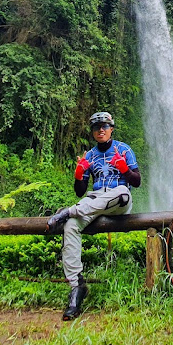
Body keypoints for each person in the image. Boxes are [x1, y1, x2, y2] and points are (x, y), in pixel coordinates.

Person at [46, 111, 141, 320]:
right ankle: (77, 287)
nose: (101, 130)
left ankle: (68, 211)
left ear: (111, 129)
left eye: (105, 126)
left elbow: (136, 182)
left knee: (122, 194)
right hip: (94, 199)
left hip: (118, 198)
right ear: (93, 132)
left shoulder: (124, 150)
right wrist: (79, 175)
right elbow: (80, 191)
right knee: (71, 226)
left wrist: (124, 169)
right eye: (97, 127)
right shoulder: (89, 155)